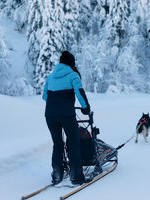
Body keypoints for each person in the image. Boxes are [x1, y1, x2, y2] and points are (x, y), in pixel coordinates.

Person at [42, 50, 91, 185]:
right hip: (67, 115)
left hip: (50, 115)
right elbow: (80, 93)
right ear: (71, 63)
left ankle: (57, 174)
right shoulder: (73, 75)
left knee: (57, 143)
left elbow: (44, 96)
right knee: (73, 143)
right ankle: (76, 176)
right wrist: (86, 108)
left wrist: (55, 105)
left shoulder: (50, 77)